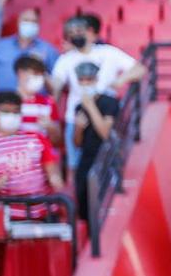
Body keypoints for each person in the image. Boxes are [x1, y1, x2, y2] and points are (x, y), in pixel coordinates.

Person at [52, 15, 144, 169]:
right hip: (77, 118)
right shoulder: (65, 59)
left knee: (111, 163)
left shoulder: (109, 52)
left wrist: (120, 80)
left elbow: (139, 69)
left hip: (107, 114)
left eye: (79, 31)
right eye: (71, 32)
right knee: (75, 165)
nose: (76, 35)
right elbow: (56, 86)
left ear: (90, 32)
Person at [0, 91, 64, 219]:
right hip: (8, 217)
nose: (11, 116)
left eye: (16, 112)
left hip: (44, 212)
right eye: (6, 112)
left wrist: (56, 180)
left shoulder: (37, 138)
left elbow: (52, 171)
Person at [0, 7, 59, 109]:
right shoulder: (0, 46)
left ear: (38, 25)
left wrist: (39, 68)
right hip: (3, 104)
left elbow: (56, 83)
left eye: (33, 21)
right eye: (26, 20)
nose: (29, 24)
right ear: (18, 22)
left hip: (35, 106)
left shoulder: (48, 50)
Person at [70, 61, 119, 225]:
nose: (85, 83)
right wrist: (77, 128)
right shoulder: (78, 107)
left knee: (103, 201)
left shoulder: (109, 102)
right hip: (86, 158)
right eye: (81, 80)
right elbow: (77, 143)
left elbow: (105, 133)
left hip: (105, 157)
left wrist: (91, 107)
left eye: (89, 79)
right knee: (83, 200)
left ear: (96, 79)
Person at [0, 55, 62, 144]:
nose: (40, 78)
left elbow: (57, 141)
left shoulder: (49, 103)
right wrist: (2, 127)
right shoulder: (2, 102)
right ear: (20, 73)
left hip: (38, 154)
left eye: (41, 74)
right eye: (35, 73)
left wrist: (51, 128)